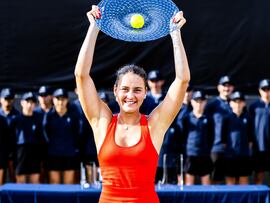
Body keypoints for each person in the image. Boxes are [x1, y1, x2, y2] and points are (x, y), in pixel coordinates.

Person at [74, 5, 189, 202]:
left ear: (145, 93)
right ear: (115, 91)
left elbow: (182, 80)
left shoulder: (154, 125)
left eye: (137, 90)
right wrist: (94, 27)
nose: (130, 95)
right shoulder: (102, 122)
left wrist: (175, 34)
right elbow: (81, 75)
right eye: (125, 89)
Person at [43, 88, 81, 184]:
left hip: (69, 155)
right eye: (58, 98)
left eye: (63, 99)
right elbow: (45, 134)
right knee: (54, 184)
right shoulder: (48, 116)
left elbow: (77, 133)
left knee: (69, 185)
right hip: (53, 155)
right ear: (53, 100)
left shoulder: (73, 116)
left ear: (67, 100)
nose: (60, 102)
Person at [10, 92, 46, 184]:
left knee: (35, 183)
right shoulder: (16, 119)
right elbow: (11, 139)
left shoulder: (39, 118)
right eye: (27, 102)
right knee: (20, 183)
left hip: (34, 153)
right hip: (20, 153)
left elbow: (42, 138)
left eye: (32, 102)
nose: (30, 105)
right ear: (22, 103)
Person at [204, 75, 234, 183]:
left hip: (233, 149)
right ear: (218, 88)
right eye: (224, 85)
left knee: (231, 180)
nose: (226, 88)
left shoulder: (237, 103)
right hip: (216, 148)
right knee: (215, 180)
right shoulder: (212, 105)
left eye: (229, 85)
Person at [181, 90, 214, 185]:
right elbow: (183, 135)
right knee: (189, 182)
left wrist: (207, 149)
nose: (199, 104)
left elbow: (212, 136)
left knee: (206, 182)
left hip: (205, 154)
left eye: (202, 101)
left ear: (205, 102)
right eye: (196, 101)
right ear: (192, 102)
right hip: (190, 154)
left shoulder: (209, 118)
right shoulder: (187, 118)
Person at [221, 91, 253, 185]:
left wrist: (246, 151)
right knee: (230, 183)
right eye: (235, 101)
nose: (238, 104)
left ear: (244, 103)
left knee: (244, 182)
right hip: (230, 156)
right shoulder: (226, 118)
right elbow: (223, 139)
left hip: (244, 156)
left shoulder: (248, 118)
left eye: (240, 101)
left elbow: (251, 139)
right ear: (230, 103)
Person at [0, 88, 20, 182]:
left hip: (14, 153)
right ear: (1, 99)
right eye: (6, 99)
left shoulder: (18, 115)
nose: (8, 101)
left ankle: (15, 197)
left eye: (10, 99)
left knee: (14, 178)